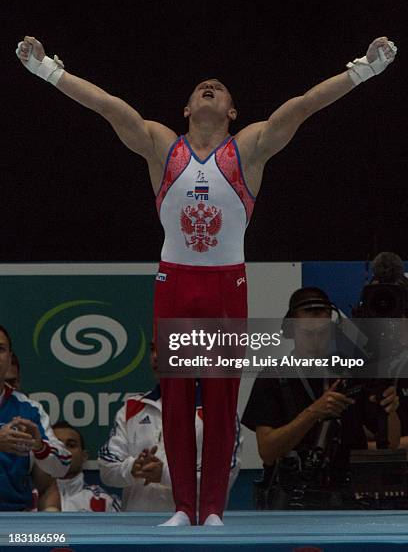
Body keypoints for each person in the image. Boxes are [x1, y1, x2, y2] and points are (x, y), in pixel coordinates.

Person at [15, 32, 397, 526]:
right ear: (187, 108)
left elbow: (302, 106)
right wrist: (48, 70)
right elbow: (108, 107)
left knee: (219, 399)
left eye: (219, 88)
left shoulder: (250, 149)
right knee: (175, 398)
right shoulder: (159, 146)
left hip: (225, 283)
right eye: (202, 87)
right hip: (175, 281)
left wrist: (363, 69)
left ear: (233, 112)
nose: (210, 87)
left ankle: (213, 506)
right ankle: (182, 507)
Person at [241, 287, 401, 508]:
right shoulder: (274, 377)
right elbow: (268, 450)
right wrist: (314, 412)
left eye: (323, 332)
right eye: (308, 333)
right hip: (291, 502)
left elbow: (390, 443)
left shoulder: (352, 374)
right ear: (292, 330)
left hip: (350, 500)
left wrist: (390, 411)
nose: (316, 340)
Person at [98, 341, 242, 511]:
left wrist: (164, 474)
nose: (156, 357)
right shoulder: (132, 408)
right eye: (152, 349)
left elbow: (222, 479)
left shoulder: (219, 411)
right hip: (137, 529)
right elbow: (106, 469)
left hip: (196, 531)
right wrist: (132, 468)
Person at [0, 325, 71, 511]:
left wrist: (40, 447)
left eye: (0, 349)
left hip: (16, 522)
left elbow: (62, 465)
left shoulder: (29, 409)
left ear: (9, 358)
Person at [39, 421, 121, 511]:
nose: (64, 451)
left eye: (71, 445)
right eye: (56, 446)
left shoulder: (105, 501)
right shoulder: (28, 498)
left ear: (84, 456)